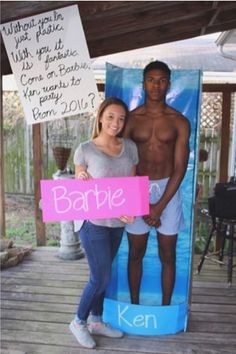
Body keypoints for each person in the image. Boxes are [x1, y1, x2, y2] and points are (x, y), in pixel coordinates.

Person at [70, 97, 138, 349]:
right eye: (110, 117)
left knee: (102, 275)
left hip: (117, 224)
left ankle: (96, 321)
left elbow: (131, 186)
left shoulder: (130, 147)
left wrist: (131, 210)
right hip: (93, 222)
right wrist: (81, 177)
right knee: (100, 276)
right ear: (100, 117)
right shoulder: (85, 149)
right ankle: (78, 321)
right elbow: (79, 182)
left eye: (121, 118)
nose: (115, 123)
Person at [124, 60, 190, 306]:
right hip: (135, 187)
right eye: (151, 79)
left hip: (168, 190)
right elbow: (123, 164)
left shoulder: (179, 121)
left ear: (168, 84)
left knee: (168, 255)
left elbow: (180, 168)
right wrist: (140, 203)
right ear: (143, 83)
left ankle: (165, 309)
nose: (156, 85)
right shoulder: (130, 120)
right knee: (135, 254)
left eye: (162, 80)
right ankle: (133, 306)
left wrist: (159, 206)